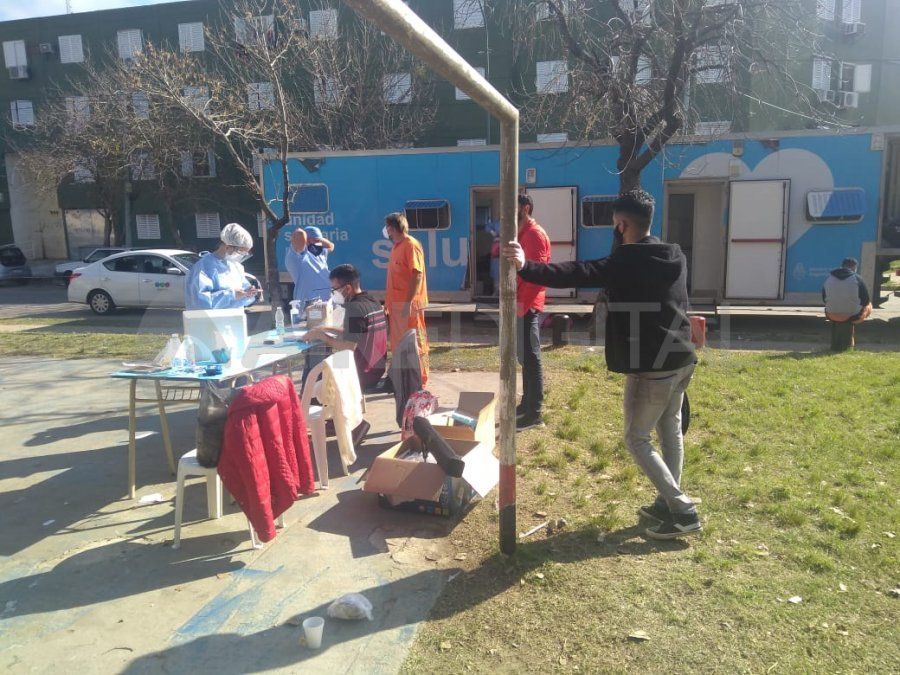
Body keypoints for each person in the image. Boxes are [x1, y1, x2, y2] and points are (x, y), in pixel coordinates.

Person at [503, 189, 700, 540]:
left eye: (614, 225)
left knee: (636, 438)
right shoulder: (674, 255)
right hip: (681, 359)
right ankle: (667, 501)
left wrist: (525, 267)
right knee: (669, 432)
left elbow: (579, 272)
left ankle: (682, 509)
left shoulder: (627, 260)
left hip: (652, 366)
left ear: (622, 225)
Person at [304, 264, 388, 391]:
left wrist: (323, 336)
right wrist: (325, 329)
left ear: (347, 288)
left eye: (334, 290)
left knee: (315, 366)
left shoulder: (354, 308)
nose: (333, 294)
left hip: (360, 374)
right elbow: (357, 333)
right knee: (320, 363)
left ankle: (309, 404)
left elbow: (348, 347)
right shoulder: (373, 301)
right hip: (375, 370)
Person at [515, 193, 552, 431]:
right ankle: (526, 404)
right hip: (520, 303)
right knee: (524, 357)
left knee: (532, 357)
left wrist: (522, 304)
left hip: (527, 305)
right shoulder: (522, 232)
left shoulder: (534, 234)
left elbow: (538, 276)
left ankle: (534, 412)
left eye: (513, 206)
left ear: (525, 208)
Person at [383, 212, 430, 385]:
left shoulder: (410, 245)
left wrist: (408, 303)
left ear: (391, 228)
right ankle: (400, 378)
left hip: (408, 306)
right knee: (399, 344)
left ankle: (419, 380)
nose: (386, 230)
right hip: (396, 306)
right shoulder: (397, 247)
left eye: (387, 226)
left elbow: (416, 274)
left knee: (415, 343)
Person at [185, 222, 260, 310]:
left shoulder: (235, 267)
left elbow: (242, 297)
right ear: (228, 247)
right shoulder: (204, 267)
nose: (242, 256)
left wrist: (248, 293)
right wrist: (232, 295)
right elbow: (199, 302)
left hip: (234, 320)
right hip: (208, 322)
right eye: (241, 252)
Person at [822, 257, 872, 351]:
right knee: (868, 305)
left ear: (842, 266)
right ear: (854, 267)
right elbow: (865, 300)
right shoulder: (857, 278)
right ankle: (850, 343)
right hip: (852, 317)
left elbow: (824, 299)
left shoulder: (829, 278)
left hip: (831, 315)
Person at [284, 226, 334, 313]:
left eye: (318, 241)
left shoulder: (318, 252)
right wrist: (306, 237)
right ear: (306, 240)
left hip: (327, 304)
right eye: (315, 240)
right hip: (309, 305)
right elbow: (299, 233)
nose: (318, 243)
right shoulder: (297, 255)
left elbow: (331, 246)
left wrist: (318, 240)